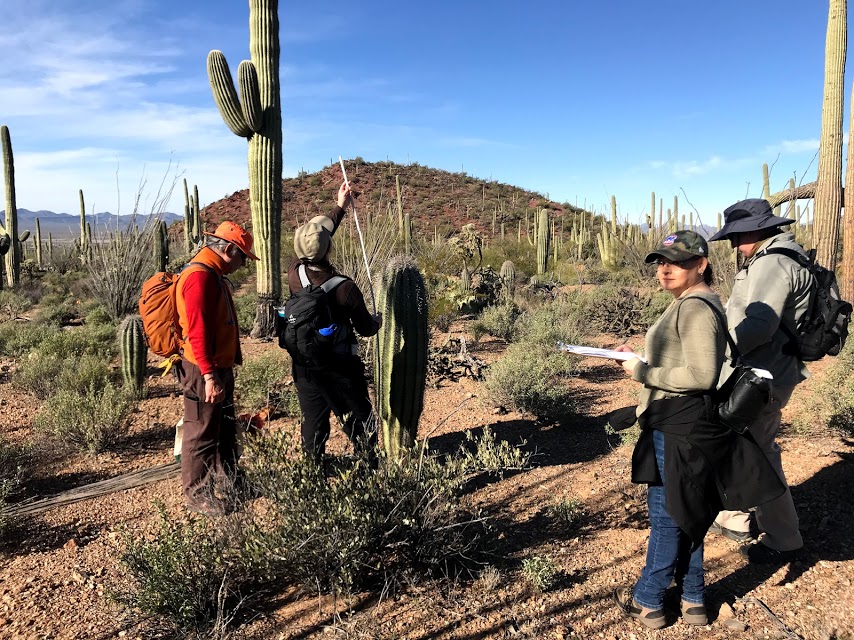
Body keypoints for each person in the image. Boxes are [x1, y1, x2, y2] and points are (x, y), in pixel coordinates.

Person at [611, 230, 783, 629]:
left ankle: (648, 600)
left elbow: (702, 375)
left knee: (668, 515)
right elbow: (690, 360)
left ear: (701, 264)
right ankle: (693, 600)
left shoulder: (695, 307)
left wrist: (641, 371)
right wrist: (638, 356)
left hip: (679, 426)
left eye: (679, 261)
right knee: (688, 511)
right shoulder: (692, 303)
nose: (666, 269)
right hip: (680, 421)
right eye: (661, 261)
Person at [708, 198, 812, 563]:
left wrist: (714, 346)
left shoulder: (772, 263)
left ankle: (783, 537)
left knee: (761, 454)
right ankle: (734, 517)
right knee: (744, 443)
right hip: (768, 371)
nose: (735, 245)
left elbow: (758, 326)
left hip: (762, 376)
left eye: (737, 236)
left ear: (756, 229)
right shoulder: (783, 256)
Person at [287, 182, 382, 465]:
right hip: (340, 367)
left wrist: (339, 207)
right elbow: (366, 329)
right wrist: (376, 321)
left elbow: (315, 240)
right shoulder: (345, 288)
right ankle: (369, 468)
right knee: (359, 420)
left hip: (305, 366)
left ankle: (312, 472)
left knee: (314, 421)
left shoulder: (295, 272)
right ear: (329, 249)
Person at [175, 220, 258, 516]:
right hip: (202, 370)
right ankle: (197, 493)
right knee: (201, 431)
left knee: (222, 427)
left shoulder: (212, 273)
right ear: (228, 250)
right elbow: (197, 331)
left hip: (216, 367)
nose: (243, 266)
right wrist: (209, 375)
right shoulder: (199, 277)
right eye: (243, 259)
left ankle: (232, 481)